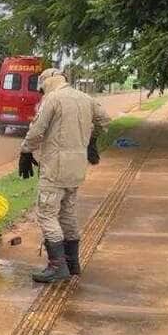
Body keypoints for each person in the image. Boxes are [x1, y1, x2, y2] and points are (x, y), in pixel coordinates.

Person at [19, 69, 110, 283]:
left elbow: (37, 130)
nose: (41, 93)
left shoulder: (53, 99)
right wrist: (91, 141)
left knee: (46, 214)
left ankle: (57, 266)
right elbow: (105, 120)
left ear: (47, 83)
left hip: (55, 168)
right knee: (67, 214)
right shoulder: (85, 98)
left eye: (41, 89)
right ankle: (72, 263)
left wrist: (25, 151)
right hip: (77, 168)